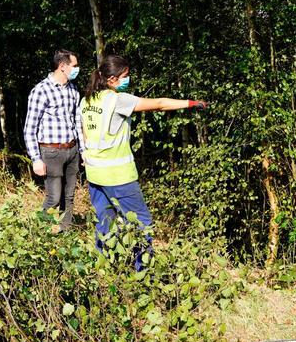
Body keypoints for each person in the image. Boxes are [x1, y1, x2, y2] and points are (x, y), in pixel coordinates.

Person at [77, 54, 207, 270]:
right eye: (125, 76)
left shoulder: (87, 101)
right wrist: (191, 103)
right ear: (111, 80)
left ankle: (104, 268)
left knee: (105, 223)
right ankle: (143, 272)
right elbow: (159, 104)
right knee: (141, 224)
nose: (128, 80)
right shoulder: (117, 100)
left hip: (94, 174)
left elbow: (85, 133)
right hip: (118, 176)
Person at [24, 49, 85, 232]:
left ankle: (65, 232)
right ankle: (41, 233)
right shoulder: (41, 90)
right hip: (51, 152)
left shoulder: (73, 90)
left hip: (72, 150)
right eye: (74, 66)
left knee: (69, 196)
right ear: (62, 66)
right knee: (53, 198)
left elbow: (76, 121)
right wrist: (36, 159)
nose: (77, 69)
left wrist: (82, 150)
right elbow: (30, 128)